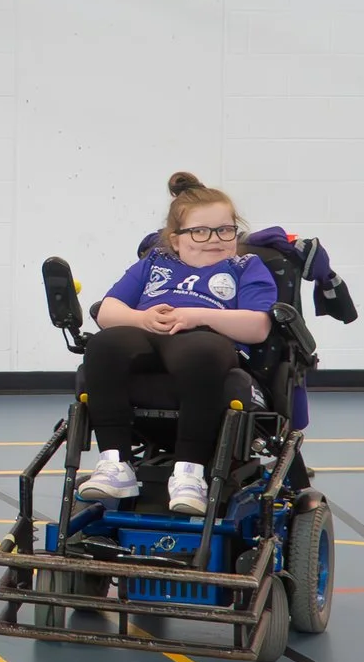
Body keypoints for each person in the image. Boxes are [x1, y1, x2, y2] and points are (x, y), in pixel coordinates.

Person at [77, 172, 278, 514]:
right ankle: (115, 463)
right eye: (200, 231)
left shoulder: (245, 267)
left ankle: (189, 474)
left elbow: (258, 326)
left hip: (204, 340)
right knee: (103, 345)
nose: (214, 239)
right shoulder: (155, 263)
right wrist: (142, 318)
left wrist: (197, 316)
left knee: (201, 352)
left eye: (225, 230)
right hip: (146, 332)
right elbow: (107, 310)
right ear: (176, 239)